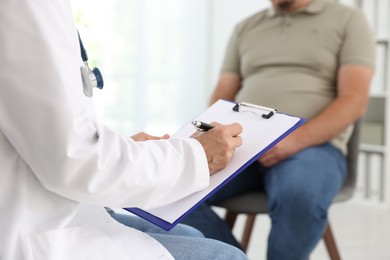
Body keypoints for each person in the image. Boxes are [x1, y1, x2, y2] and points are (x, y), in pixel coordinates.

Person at [0, 0, 248, 259]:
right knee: (226, 256)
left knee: (191, 236)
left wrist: (131, 151)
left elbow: (49, 134)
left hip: (42, 202)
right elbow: (76, 159)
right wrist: (196, 155)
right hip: (25, 230)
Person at [180, 0, 376, 259]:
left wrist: (292, 141)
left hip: (311, 147)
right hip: (243, 145)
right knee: (173, 183)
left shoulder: (349, 20)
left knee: (299, 193)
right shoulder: (246, 28)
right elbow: (221, 97)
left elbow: (354, 99)